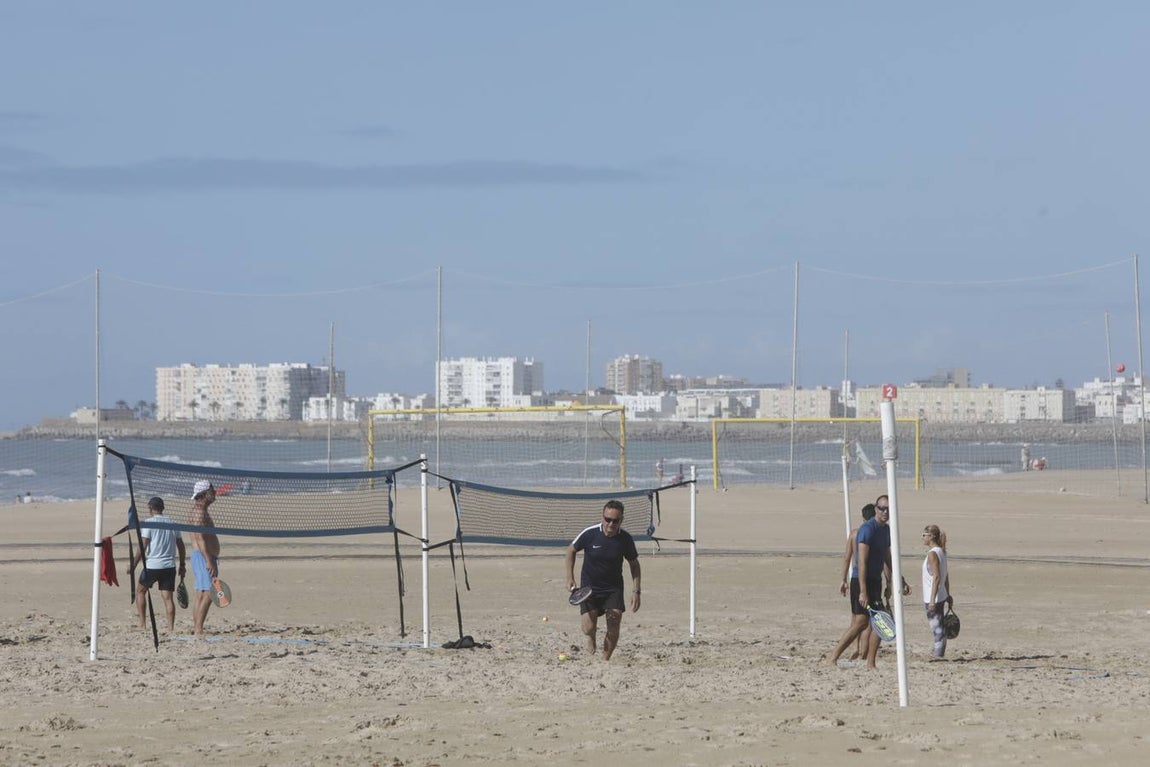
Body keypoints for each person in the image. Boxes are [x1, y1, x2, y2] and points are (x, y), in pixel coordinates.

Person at [825, 494, 909, 669]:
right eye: (881, 508)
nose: (885, 512)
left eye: (888, 509)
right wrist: (862, 590)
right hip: (860, 580)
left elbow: (887, 558)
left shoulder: (886, 530)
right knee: (861, 622)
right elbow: (861, 562)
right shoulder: (867, 529)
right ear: (876, 509)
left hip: (875, 580)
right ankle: (832, 657)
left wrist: (899, 579)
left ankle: (871, 662)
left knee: (880, 621)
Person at [564, 500, 641, 661]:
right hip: (589, 589)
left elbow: (634, 565)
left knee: (614, 622)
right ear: (602, 517)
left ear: (621, 520)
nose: (611, 524)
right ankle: (591, 637)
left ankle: (605, 660)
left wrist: (636, 591)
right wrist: (570, 577)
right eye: (608, 519)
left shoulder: (625, 539)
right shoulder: (590, 533)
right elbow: (571, 550)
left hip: (613, 588)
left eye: (615, 520)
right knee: (588, 627)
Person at [126, 496, 186, 633]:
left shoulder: (149, 523)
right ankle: (170, 629)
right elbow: (181, 547)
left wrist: (133, 565)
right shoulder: (173, 523)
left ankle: (142, 625)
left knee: (140, 592)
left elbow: (143, 546)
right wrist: (182, 565)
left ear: (151, 508)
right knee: (168, 598)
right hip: (169, 566)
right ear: (162, 508)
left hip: (153, 566)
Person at [829, 503, 876, 663]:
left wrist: (843, 579)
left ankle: (856, 648)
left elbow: (847, 558)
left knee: (856, 618)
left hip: (854, 577)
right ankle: (863, 652)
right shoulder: (872, 533)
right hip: (865, 578)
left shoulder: (854, 534)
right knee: (866, 621)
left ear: (863, 517)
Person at [188, 479, 221, 638]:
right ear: (203, 494)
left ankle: (197, 628)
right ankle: (198, 630)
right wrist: (208, 560)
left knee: (201, 593)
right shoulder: (199, 512)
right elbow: (200, 539)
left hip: (203, 556)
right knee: (209, 593)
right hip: (202, 557)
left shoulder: (201, 510)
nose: (214, 492)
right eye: (211, 490)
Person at [921, 524, 953, 659]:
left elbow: (937, 576)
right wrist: (948, 594)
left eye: (924, 535)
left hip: (932, 596)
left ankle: (938, 654)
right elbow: (945, 575)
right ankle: (939, 652)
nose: (922, 538)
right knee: (940, 625)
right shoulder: (941, 551)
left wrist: (932, 599)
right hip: (941, 594)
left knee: (936, 626)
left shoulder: (932, 553)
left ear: (932, 536)